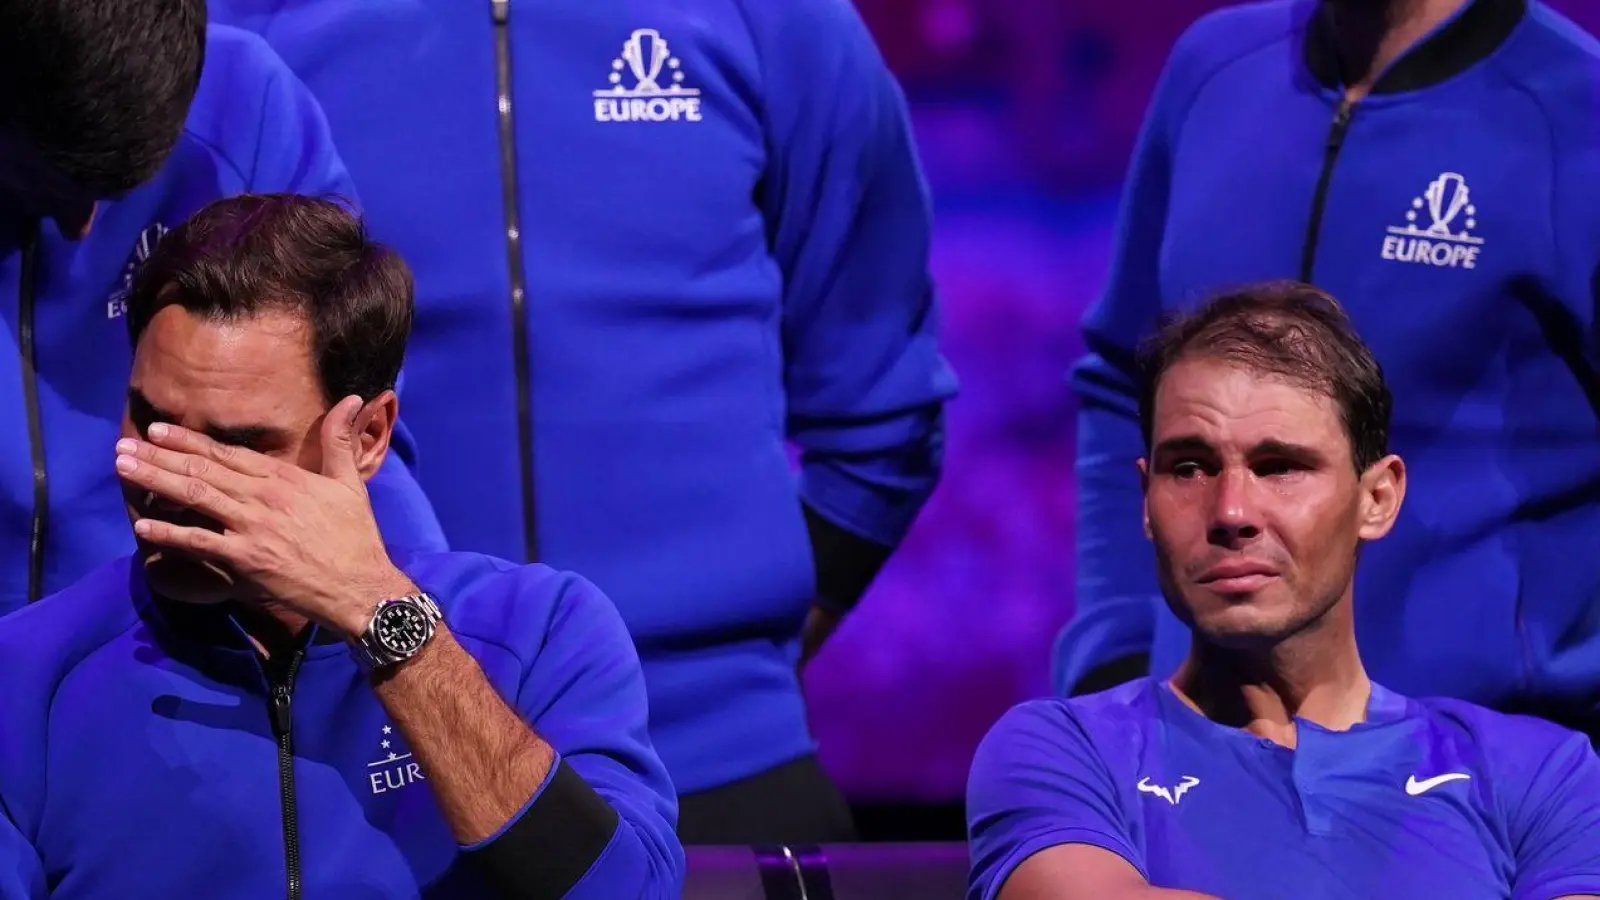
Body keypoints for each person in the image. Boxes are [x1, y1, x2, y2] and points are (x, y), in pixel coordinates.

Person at [208, 0, 957, 842]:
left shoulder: (777, 21)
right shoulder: (252, 38)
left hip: (723, 767)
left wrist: (726, 670)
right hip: (375, 781)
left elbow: (884, 412)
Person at [0, 194, 683, 899]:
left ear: (368, 438)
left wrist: (382, 617)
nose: (179, 483)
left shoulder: (540, 634)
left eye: (239, 445)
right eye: (151, 423)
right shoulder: (23, 681)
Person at [1054, 0, 1600, 738]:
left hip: (1484, 776)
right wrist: (1114, 657)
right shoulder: (1214, 71)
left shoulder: (1576, 114)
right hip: (1194, 755)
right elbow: (1125, 381)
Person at [969, 282, 1600, 900]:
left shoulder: (1539, 775)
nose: (1231, 510)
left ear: (1376, 499)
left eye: (1280, 468)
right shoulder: (1063, 755)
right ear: (1145, 499)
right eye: (1189, 467)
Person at [0, 0, 444, 616]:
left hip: (175, 649)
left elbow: (342, 423)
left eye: (118, 192)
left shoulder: (245, 104)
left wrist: (407, 613)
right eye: (46, 185)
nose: (82, 229)